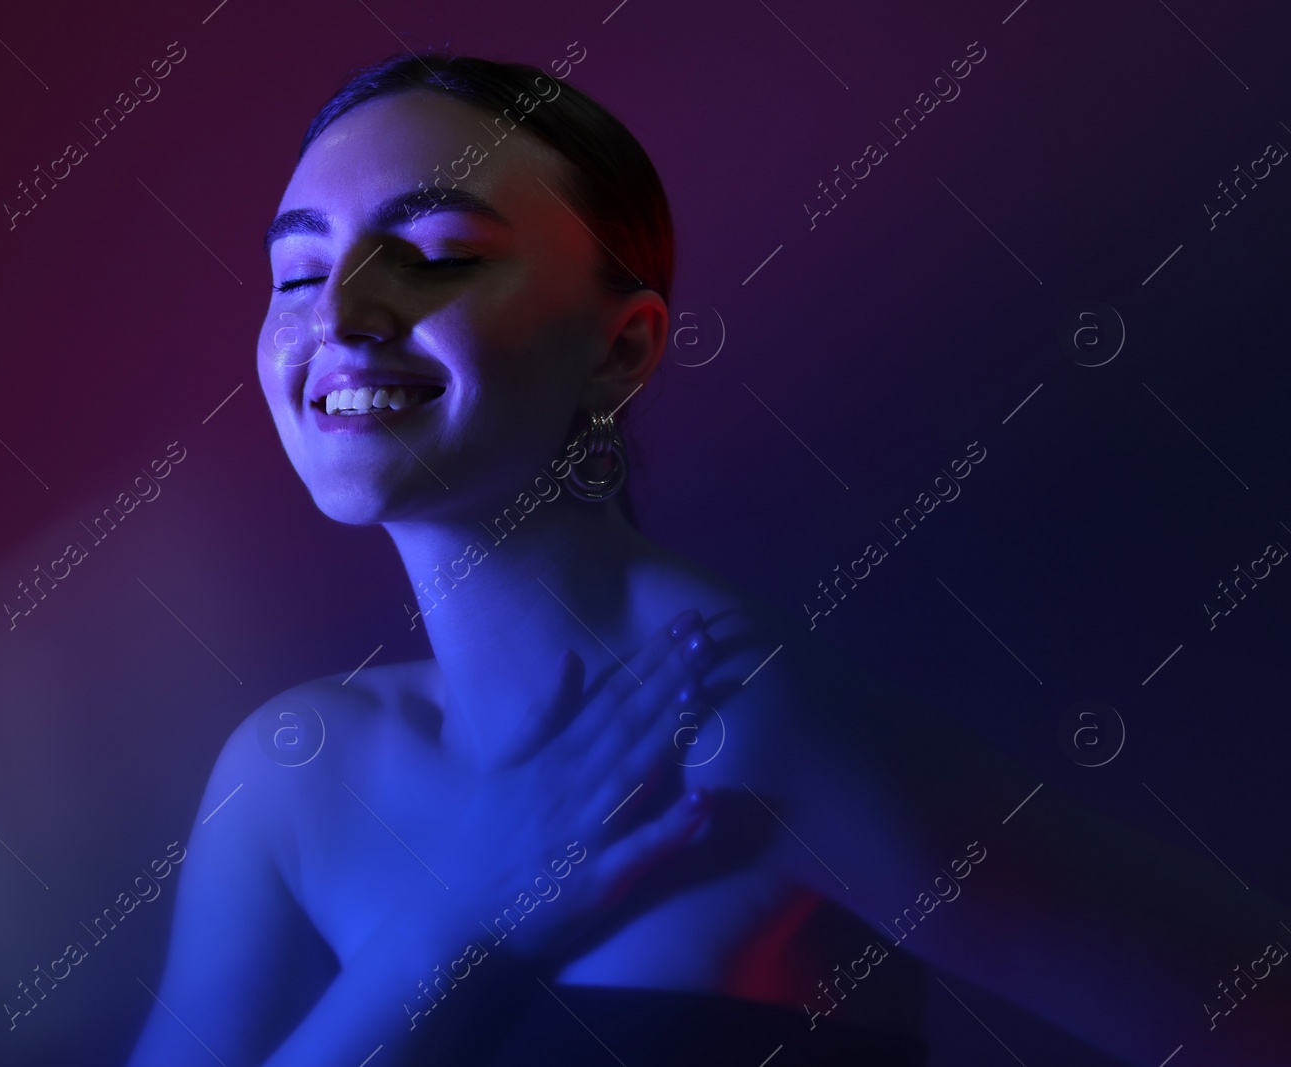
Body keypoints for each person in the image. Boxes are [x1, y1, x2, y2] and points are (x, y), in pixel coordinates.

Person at [126, 52, 1288, 1066]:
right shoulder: (291, 772)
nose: (339, 311)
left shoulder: (741, 727)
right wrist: (458, 926)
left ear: (621, 348)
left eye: (432, 253)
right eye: (294, 271)